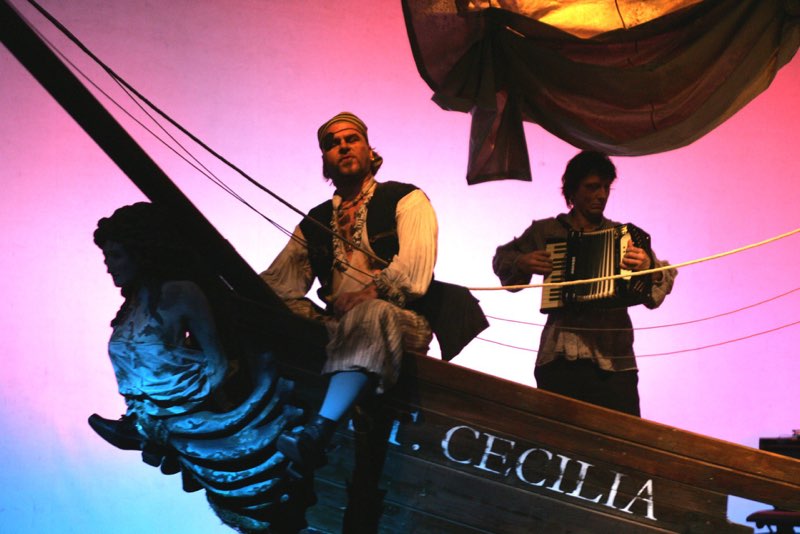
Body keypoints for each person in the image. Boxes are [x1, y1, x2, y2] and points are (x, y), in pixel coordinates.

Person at [89, 202, 315, 533]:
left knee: (255, 493)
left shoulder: (181, 294)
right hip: (155, 420)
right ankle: (141, 426)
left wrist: (181, 407)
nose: (109, 265)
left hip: (190, 417)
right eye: (106, 256)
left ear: (141, 252)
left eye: (116, 255)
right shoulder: (129, 309)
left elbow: (217, 363)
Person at [262, 112, 439, 470]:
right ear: (325, 161)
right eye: (332, 144)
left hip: (400, 322)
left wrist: (367, 294)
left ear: (370, 151)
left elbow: (414, 273)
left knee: (372, 312)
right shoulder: (315, 222)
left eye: (351, 139)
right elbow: (278, 283)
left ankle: (319, 432)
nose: (342, 146)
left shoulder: (406, 199)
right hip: (338, 326)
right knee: (271, 309)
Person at [492, 151, 676, 417]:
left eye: (606, 187)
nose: (601, 195)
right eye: (592, 187)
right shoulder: (547, 231)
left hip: (615, 362)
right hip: (559, 358)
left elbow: (664, 277)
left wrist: (649, 268)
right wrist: (522, 262)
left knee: (620, 436)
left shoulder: (624, 236)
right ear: (572, 190)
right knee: (559, 435)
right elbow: (502, 259)